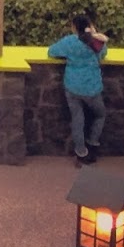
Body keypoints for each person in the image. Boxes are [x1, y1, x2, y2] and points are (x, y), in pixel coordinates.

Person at [47, 13, 108, 163]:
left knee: (77, 119)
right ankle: (93, 142)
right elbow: (103, 54)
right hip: (92, 88)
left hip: (72, 86)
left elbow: (52, 51)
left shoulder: (69, 42)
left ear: (74, 27)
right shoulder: (96, 42)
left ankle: (81, 152)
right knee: (100, 115)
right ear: (90, 26)